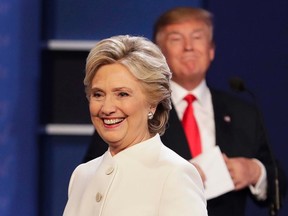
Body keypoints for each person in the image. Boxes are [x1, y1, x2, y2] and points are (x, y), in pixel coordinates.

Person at [83, 7, 286, 216]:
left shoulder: (244, 112)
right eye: (176, 39)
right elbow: (98, 176)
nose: (189, 47)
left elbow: (278, 184)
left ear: (211, 50)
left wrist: (255, 171)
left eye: (197, 37)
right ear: (159, 53)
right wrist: (172, 176)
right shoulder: (134, 109)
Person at [63, 35, 207, 216]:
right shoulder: (82, 176)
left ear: (153, 103)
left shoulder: (175, 174)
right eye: (98, 94)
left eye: (122, 94)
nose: (107, 108)